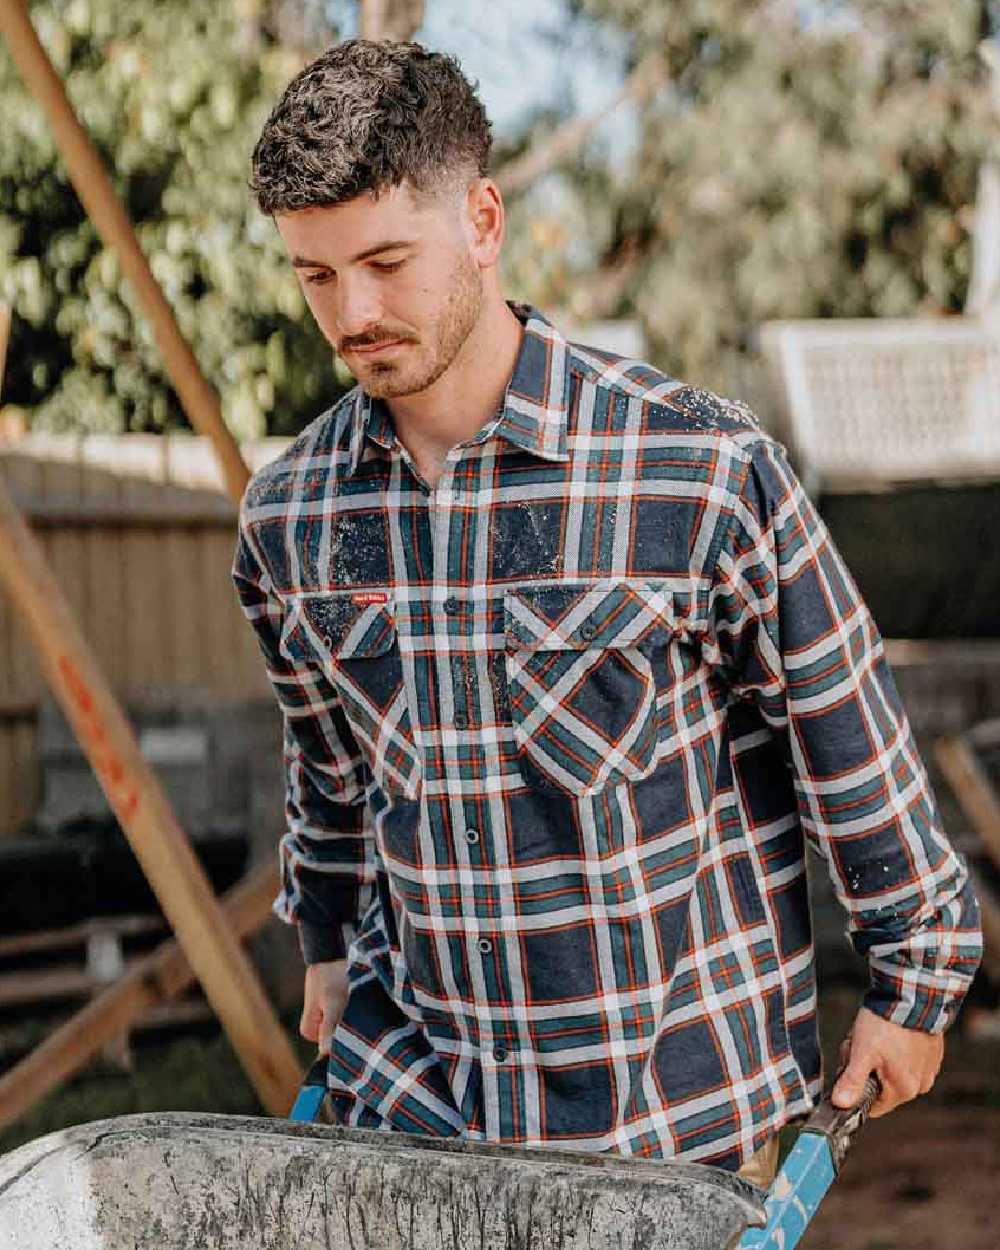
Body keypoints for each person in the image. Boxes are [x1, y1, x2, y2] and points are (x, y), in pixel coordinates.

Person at [233, 38, 982, 1182]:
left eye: (385, 260)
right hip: (420, 1109)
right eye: (316, 276)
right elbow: (330, 768)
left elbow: (840, 722)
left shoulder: (696, 468)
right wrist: (326, 939)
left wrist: (912, 979)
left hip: (673, 1115)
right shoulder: (291, 517)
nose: (354, 311)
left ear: (483, 220)